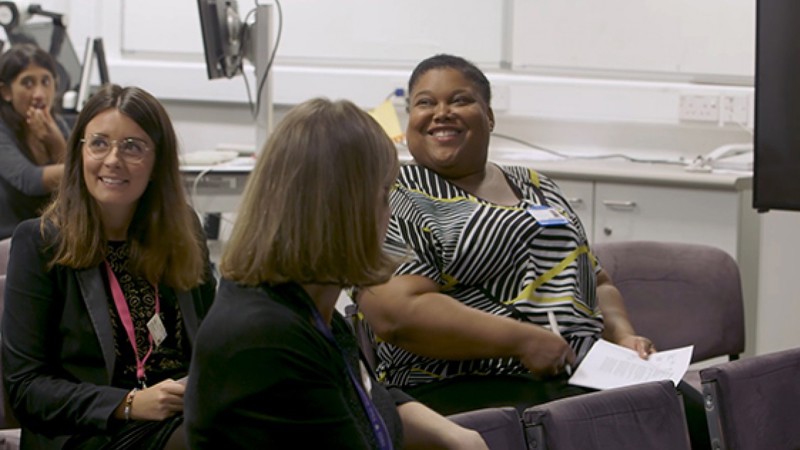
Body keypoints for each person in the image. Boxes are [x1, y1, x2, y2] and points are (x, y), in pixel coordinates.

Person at [355, 54, 711, 449]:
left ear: (488, 116)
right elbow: (396, 314)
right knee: (613, 425)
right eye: (425, 103)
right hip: (462, 386)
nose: (442, 113)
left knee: (689, 411)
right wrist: (522, 341)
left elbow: (597, 280)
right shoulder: (398, 197)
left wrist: (624, 337)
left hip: (580, 372)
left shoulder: (536, 185)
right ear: (410, 119)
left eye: (459, 100)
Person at [184, 98, 487, 450]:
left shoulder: (304, 308)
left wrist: (456, 436)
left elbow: (372, 401)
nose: (389, 214)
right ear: (345, 210)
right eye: (384, 194)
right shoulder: (266, 339)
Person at [1, 84, 216, 450]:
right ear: (80, 152)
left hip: (183, 415)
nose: (113, 159)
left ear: (157, 163)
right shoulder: (39, 243)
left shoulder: (183, 231)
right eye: (99, 143)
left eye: (132, 147)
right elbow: (26, 387)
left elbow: (215, 340)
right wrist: (128, 404)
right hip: (91, 430)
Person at [0, 43, 70, 240]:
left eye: (46, 82)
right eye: (27, 83)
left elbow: (71, 187)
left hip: (43, 234)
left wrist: (55, 141)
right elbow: (30, 181)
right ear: (6, 92)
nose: (39, 94)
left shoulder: (56, 123)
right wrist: (88, 169)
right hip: (7, 238)